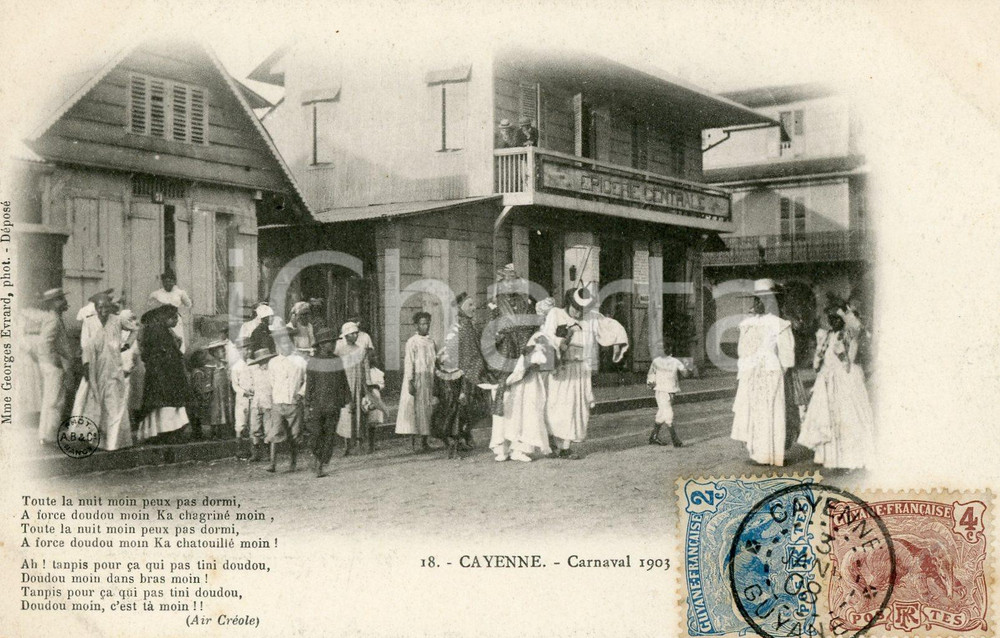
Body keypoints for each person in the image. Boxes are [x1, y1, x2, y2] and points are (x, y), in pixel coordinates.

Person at [541, 286, 629, 459]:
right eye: (575, 308)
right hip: (561, 369)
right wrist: (561, 340)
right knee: (555, 406)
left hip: (580, 370)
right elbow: (547, 336)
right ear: (568, 303)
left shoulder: (590, 318)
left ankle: (566, 447)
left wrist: (617, 344)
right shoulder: (556, 314)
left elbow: (609, 325)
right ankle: (552, 443)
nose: (578, 313)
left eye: (582, 310)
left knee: (575, 408)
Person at [797, 311, 876, 470]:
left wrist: (842, 357)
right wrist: (819, 361)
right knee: (825, 415)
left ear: (843, 321)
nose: (834, 322)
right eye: (831, 319)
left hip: (843, 377)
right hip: (827, 377)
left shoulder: (846, 335)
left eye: (837, 319)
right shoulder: (826, 336)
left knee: (846, 414)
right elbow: (820, 357)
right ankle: (829, 456)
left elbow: (849, 359)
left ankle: (848, 457)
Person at [730, 279, 796, 466]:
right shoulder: (753, 324)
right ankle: (761, 453)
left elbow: (786, 355)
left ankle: (767, 453)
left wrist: (776, 370)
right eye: (756, 299)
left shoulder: (776, 324)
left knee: (766, 410)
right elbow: (743, 351)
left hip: (764, 372)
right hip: (759, 372)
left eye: (762, 300)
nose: (757, 303)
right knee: (759, 411)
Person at [490, 328, 555, 462]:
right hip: (509, 373)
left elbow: (544, 360)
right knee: (507, 411)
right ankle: (503, 448)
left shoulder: (537, 336)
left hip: (528, 379)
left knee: (527, 414)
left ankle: (520, 449)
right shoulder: (504, 336)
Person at [82, 294, 132, 451]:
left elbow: (135, 329)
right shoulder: (89, 322)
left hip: (113, 367)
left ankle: (115, 441)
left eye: (106, 307)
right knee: (95, 401)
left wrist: (126, 345)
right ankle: (95, 439)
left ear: (111, 307)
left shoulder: (117, 320)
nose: (103, 310)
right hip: (95, 367)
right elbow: (85, 345)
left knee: (113, 402)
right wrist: (86, 364)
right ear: (95, 308)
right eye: (99, 307)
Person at [136, 303, 190, 443]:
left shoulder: (164, 331)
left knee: (165, 404)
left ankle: (163, 431)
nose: (176, 321)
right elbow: (157, 354)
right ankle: (164, 432)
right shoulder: (158, 332)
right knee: (164, 404)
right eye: (173, 318)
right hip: (162, 375)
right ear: (165, 318)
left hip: (166, 373)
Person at [440, 293, 488, 450]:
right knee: (459, 406)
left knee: (474, 406)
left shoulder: (472, 326)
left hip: (473, 370)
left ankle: (465, 433)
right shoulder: (457, 328)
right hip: (459, 374)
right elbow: (449, 351)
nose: (474, 308)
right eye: (470, 305)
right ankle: (456, 437)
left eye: (474, 305)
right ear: (460, 308)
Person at [305, 327, 353, 477]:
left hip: (334, 404)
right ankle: (315, 456)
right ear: (320, 345)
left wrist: (348, 399)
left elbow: (343, 381)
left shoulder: (336, 360)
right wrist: (307, 404)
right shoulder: (313, 362)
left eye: (332, 342)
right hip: (317, 404)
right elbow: (310, 384)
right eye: (327, 343)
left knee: (329, 435)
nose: (331, 345)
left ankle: (320, 464)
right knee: (316, 435)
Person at [395, 312, 437, 452]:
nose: (426, 326)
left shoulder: (431, 341)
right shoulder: (412, 342)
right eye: (423, 323)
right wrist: (410, 380)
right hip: (417, 378)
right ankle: (414, 443)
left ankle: (425, 442)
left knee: (427, 410)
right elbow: (409, 362)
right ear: (416, 325)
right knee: (415, 409)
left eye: (427, 323)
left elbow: (433, 361)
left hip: (429, 378)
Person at [36, 288, 73, 444]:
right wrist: (55, 360)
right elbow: (44, 343)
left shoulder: (55, 317)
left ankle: (46, 435)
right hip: (53, 365)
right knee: (55, 400)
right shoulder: (53, 319)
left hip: (51, 363)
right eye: (61, 299)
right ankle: (49, 436)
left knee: (53, 399)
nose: (65, 302)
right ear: (53, 303)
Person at [265, 338, 307, 473]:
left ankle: (293, 462)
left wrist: (301, 393)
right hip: (278, 402)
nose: (284, 346)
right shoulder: (273, 362)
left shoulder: (300, 361)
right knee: (274, 433)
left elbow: (307, 379)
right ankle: (272, 463)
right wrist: (273, 397)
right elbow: (270, 381)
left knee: (295, 434)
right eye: (281, 343)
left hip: (294, 403)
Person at [488, 264, 534, 372]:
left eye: (513, 282)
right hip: (505, 345)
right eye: (506, 282)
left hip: (523, 341)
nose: (510, 285)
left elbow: (531, 321)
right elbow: (492, 325)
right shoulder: (496, 303)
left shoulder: (524, 301)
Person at [335, 321, 372, 454]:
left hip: (358, 384)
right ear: (345, 335)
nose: (355, 336)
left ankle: (358, 442)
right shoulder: (339, 349)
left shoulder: (360, 349)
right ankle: (346, 444)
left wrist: (367, 384)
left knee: (359, 412)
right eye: (352, 334)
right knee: (346, 413)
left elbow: (366, 368)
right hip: (344, 384)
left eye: (356, 333)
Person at [646, 344, 690, 447]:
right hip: (669, 392)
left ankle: (653, 437)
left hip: (661, 391)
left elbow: (650, 376)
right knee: (668, 414)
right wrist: (687, 367)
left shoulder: (656, 361)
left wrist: (652, 385)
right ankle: (675, 440)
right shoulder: (675, 361)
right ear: (670, 351)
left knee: (662, 414)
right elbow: (685, 373)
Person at [149, 271, 193, 353]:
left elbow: (188, 305)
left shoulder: (180, 293)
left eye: (170, 281)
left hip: (175, 321)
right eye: (165, 281)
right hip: (162, 321)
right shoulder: (157, 294)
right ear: (162, 282)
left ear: (174, 281)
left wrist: (180, 313)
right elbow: (151, 305)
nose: (168, 284)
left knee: (178, 340)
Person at [246, 347, 275, 462]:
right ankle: (255, 453)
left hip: (268, 404)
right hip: (256, 403)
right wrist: (250, 390)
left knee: (268, 429)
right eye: (261, 362)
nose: (264, 364)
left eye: (266, 361)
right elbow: (252, 386)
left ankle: (268, 452)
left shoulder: (272, 373)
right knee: (254, 428)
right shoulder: (255, 372)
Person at [229, 339, 255, 460]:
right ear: (239, 351)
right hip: (242, 398)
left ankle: (252, 449)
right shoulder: (236, 367)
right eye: (245, 349)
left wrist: (254, 389)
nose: (248, 352)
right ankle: (239, 450)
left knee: (253, 422)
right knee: (241, 422)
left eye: (250, 349)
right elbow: (235, 385)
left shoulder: (254, 364)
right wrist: (244, 392)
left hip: (253, 397)